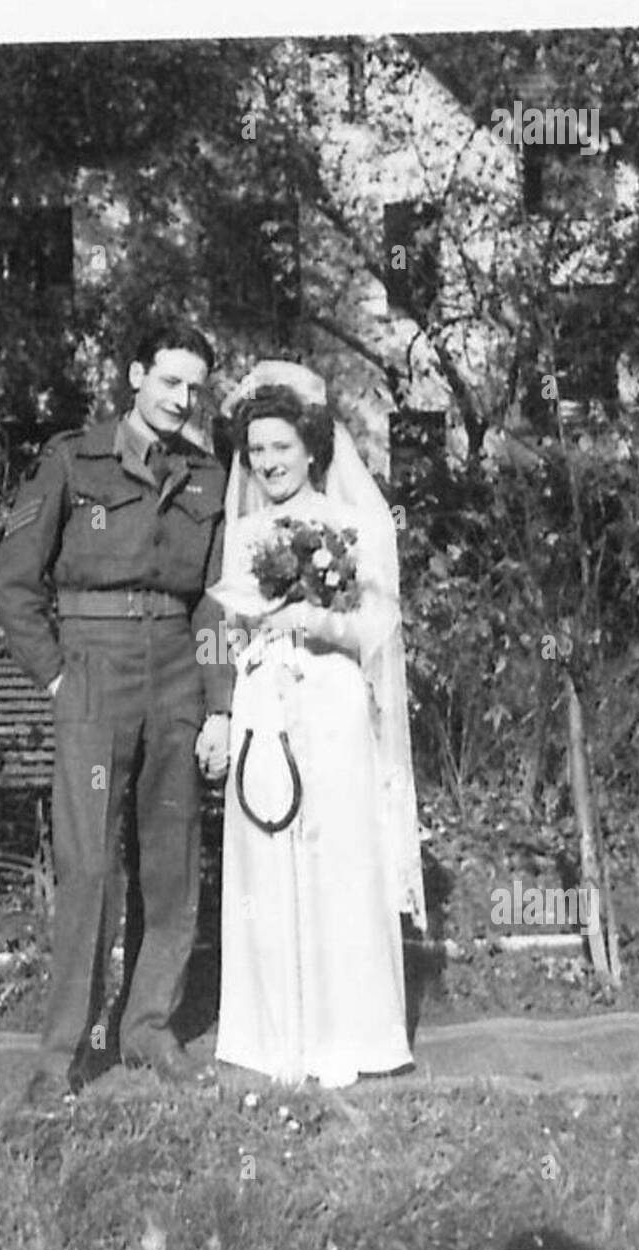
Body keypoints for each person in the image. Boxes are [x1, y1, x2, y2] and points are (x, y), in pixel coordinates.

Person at [0, 322, 233, 1100]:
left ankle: (148, 1028)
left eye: (193, 387)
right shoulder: (72, 460)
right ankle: (62, 1053)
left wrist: (218, 704)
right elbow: (11, 584)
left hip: (176, 673)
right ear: (135, 376)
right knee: (89, 863)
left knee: (171, 860)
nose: (180, 399)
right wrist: (59, 678)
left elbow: (216, 603)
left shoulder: (208, 479)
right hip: (93, 667)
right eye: (168, 382)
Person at [209, 362, 426, 1088]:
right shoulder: (241, 534)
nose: (269, 462)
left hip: (331, 697)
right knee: (268, 852)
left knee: (336, 854)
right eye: (257, 451)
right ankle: (276, 1034)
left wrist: (318, 622)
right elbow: (226, 630)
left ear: (310, 449)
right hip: (265, 700)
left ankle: (349, 1032)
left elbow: (378, 628)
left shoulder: (355, 525)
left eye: (281, 447)